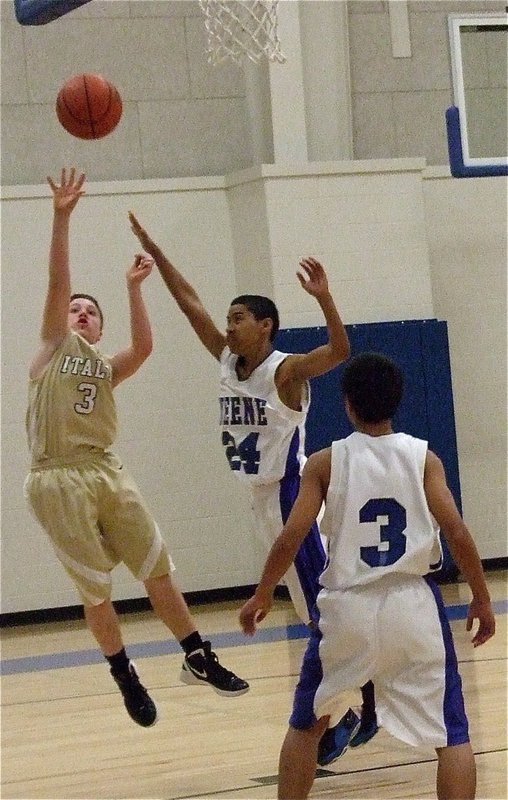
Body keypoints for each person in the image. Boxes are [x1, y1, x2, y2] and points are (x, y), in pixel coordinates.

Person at [128, 212, 378, 763]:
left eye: (238, 318)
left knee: (323, 613)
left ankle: (358, 709)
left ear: (265, 325)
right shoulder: (226, 359)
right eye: (229, 318)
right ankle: (359, 703)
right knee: (317, 612)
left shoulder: (286, 371)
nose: (229, 324)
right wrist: (156, 249)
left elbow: (340, 352)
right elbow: (188, 300)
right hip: (260, 501)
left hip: (293, 499)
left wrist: (325, 298)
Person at [24, 168, 249, 731]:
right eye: (75, 309)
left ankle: (199, 656)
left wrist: (132, 289)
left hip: (105, 469)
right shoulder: (54, 349)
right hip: (57, 478)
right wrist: (61, 217)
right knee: (97, 593)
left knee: (157, 567)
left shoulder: (102, 366)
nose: (80, 313)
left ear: (99, 329)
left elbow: (145, 347)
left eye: (90, 312)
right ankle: (124, 674)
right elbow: (58, 284)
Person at [240, 352, 496, 800]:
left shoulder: (324, 462)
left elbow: (292, 536)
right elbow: (456, 531)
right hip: (412, 604)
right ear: (396, 401)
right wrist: (482, 597)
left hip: (347, 606)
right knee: (451, 734)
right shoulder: (424, 459)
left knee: (307, 725)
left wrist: (263, 593)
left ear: (347, 403)